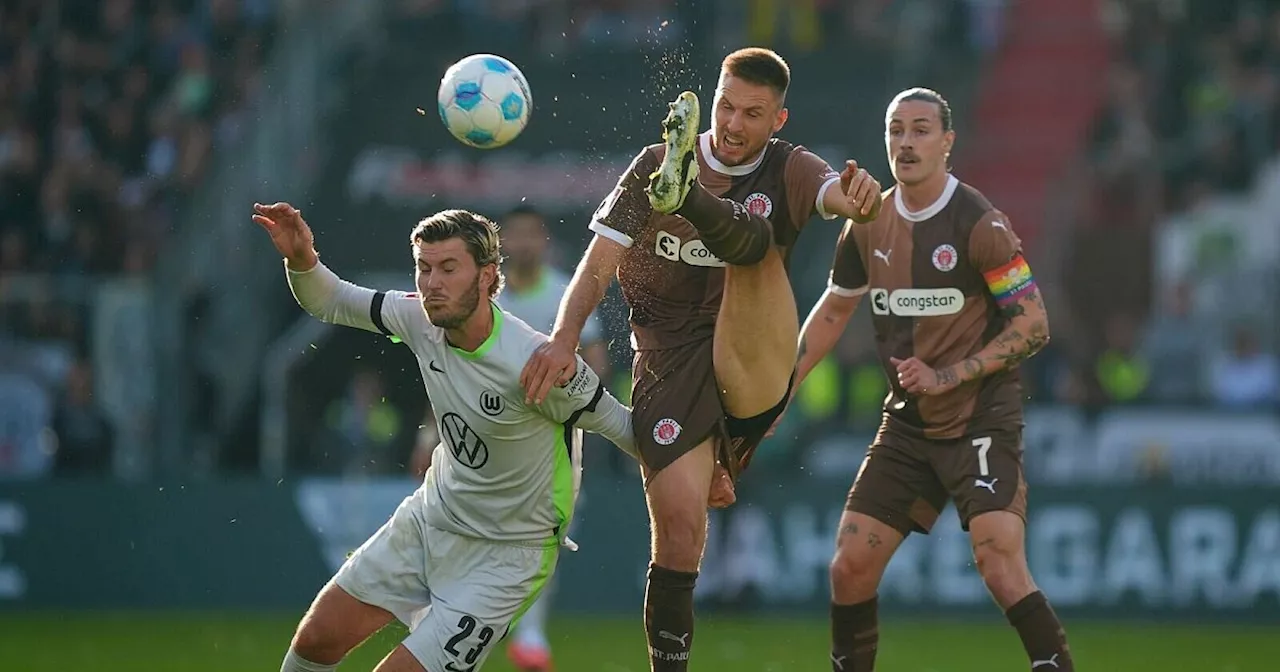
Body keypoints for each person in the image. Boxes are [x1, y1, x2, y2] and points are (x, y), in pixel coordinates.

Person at [519, 47, 882, 671]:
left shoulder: (791, 168)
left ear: (780, 120)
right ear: (712, 99)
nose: (734, 124)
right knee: (681, 532)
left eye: (753, 114)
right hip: (667, 361)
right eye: (725, 107)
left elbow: (834, 196)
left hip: (752, 351)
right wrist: (562, 337)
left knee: (757, 246)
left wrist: (857, 197)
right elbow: (599, 264)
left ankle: (691, 201)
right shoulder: (652, 164)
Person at [253, 202, 638, 672]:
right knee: (317, 640)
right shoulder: (419, 319)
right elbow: (330, 300)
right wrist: (301, 259)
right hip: (431, 520)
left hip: (506, 558)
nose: (432, 283)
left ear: (486, 275)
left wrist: (709, 469)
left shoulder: (536, 363)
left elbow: (625, 428)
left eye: (449, 268)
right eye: (424, 268)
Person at [789, 88, 1073, 671]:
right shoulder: (865, 224)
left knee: (998, 558)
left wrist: (949, 375)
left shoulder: (978, 221)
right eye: (895, 130)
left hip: (980, 417)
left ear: (947, 142)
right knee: (848, 567)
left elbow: (1035, 323)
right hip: (909, 423)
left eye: (920, 130)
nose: (906, 142)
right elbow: (835, 311)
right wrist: (781, 393)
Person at [497, 204, 611, 671]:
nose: (522, 243)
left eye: (531, 234)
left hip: (552, 437)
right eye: (514, 234)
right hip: (494, 433)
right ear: (501, 242)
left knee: (546, 535)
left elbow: (598, 362)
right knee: (488, 533)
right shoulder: (486, 298)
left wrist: (578, 407)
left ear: (543, 240)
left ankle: (530, 636)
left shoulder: (566, 294)